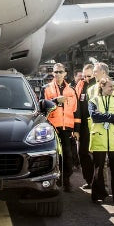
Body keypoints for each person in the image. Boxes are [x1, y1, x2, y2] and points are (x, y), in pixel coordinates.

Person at [88, 78, 114, 204]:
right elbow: (94, 116)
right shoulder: (93, 101)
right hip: (99, 138)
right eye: (110, 86)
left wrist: (106, 117)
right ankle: (98, 195)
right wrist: (112, 117)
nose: (112, 89)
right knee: (98, 169)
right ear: (102, 86)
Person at [43, 63, 78, 191]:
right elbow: (42, 106)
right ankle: (54, 180)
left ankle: (67, 180)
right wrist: (56, 101)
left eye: (60, 72)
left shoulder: (71, 90)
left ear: (65, 73)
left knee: (68, 156)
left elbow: (76, 110)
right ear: (52, 73)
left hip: (67, 128)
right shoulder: (46, 88)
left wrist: (77, 130)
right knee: (54, 155)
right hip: (52, 127)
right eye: (55, 72)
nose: (58, 74)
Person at [75, 63, 96, 189]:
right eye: (84, 76)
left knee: (95, 155)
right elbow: (77, 107)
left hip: (95, 125)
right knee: (82, 153)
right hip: (82, 125)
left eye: (89, 76)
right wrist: (76, 129)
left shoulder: (98, 86)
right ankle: (89, 180)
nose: (87, 78)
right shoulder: (80, 85)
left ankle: (96, 181)